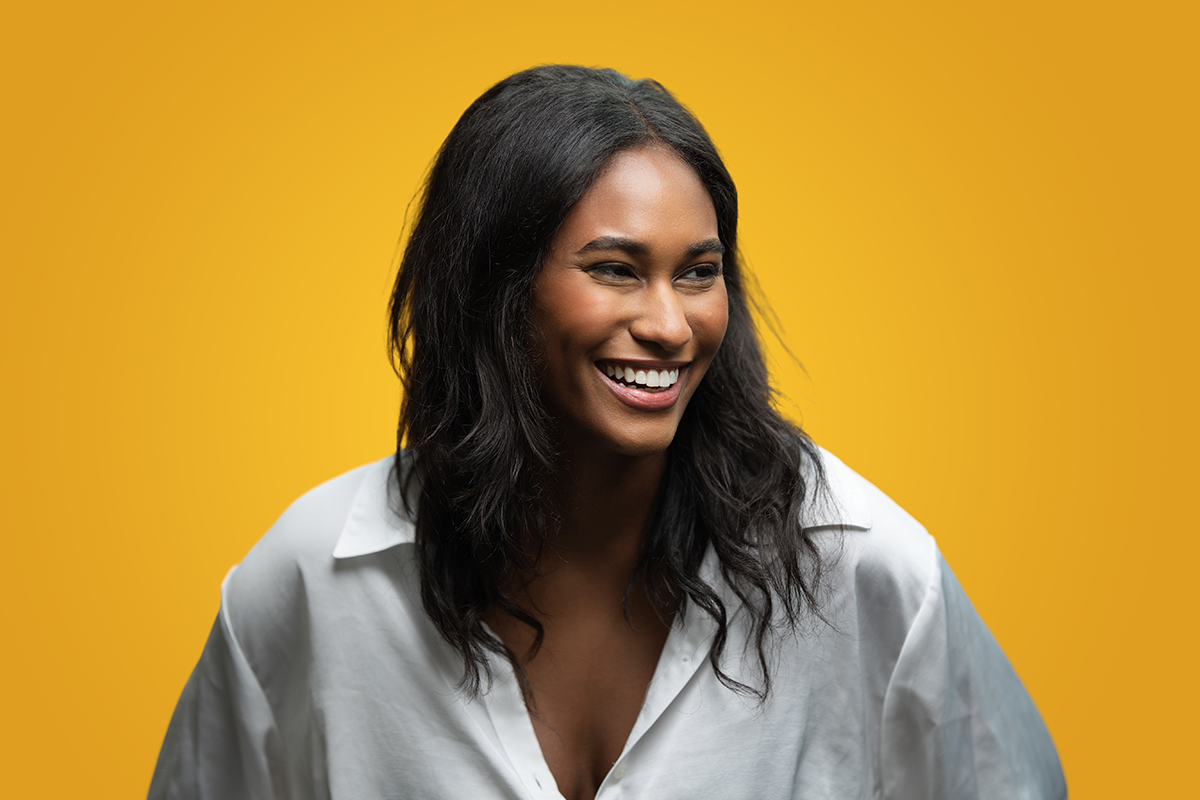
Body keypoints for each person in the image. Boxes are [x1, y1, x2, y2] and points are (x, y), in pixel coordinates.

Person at [149, 65, 1066, 800]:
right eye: (616, 269)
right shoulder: (312, 579)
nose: (671, 324)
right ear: (494, 295)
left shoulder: (863, 570)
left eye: (699, 272)